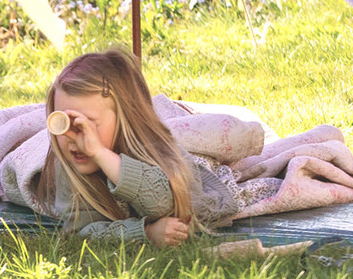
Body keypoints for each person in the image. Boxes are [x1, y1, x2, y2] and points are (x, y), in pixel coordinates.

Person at [35, 49, 241, 246]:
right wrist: (147, 234)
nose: (74, 137)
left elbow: (163, 203)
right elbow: (80, 233)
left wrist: (100, 153)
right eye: (64, 123)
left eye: (88, 124)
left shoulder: (156, 151)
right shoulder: (67, 166)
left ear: (125, 119)